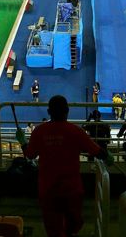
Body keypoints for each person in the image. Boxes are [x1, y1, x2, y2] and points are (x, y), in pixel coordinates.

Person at [16, 95, 112, 237]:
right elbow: (96, 151)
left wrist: (23, 141)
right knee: (73, 225)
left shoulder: (39, 131)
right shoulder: (76, 131)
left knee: (53, 228)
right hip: (72, 189)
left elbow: (30, 155)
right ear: (67, 111)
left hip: (48, 190)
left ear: (49, 112)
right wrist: (107, 156)